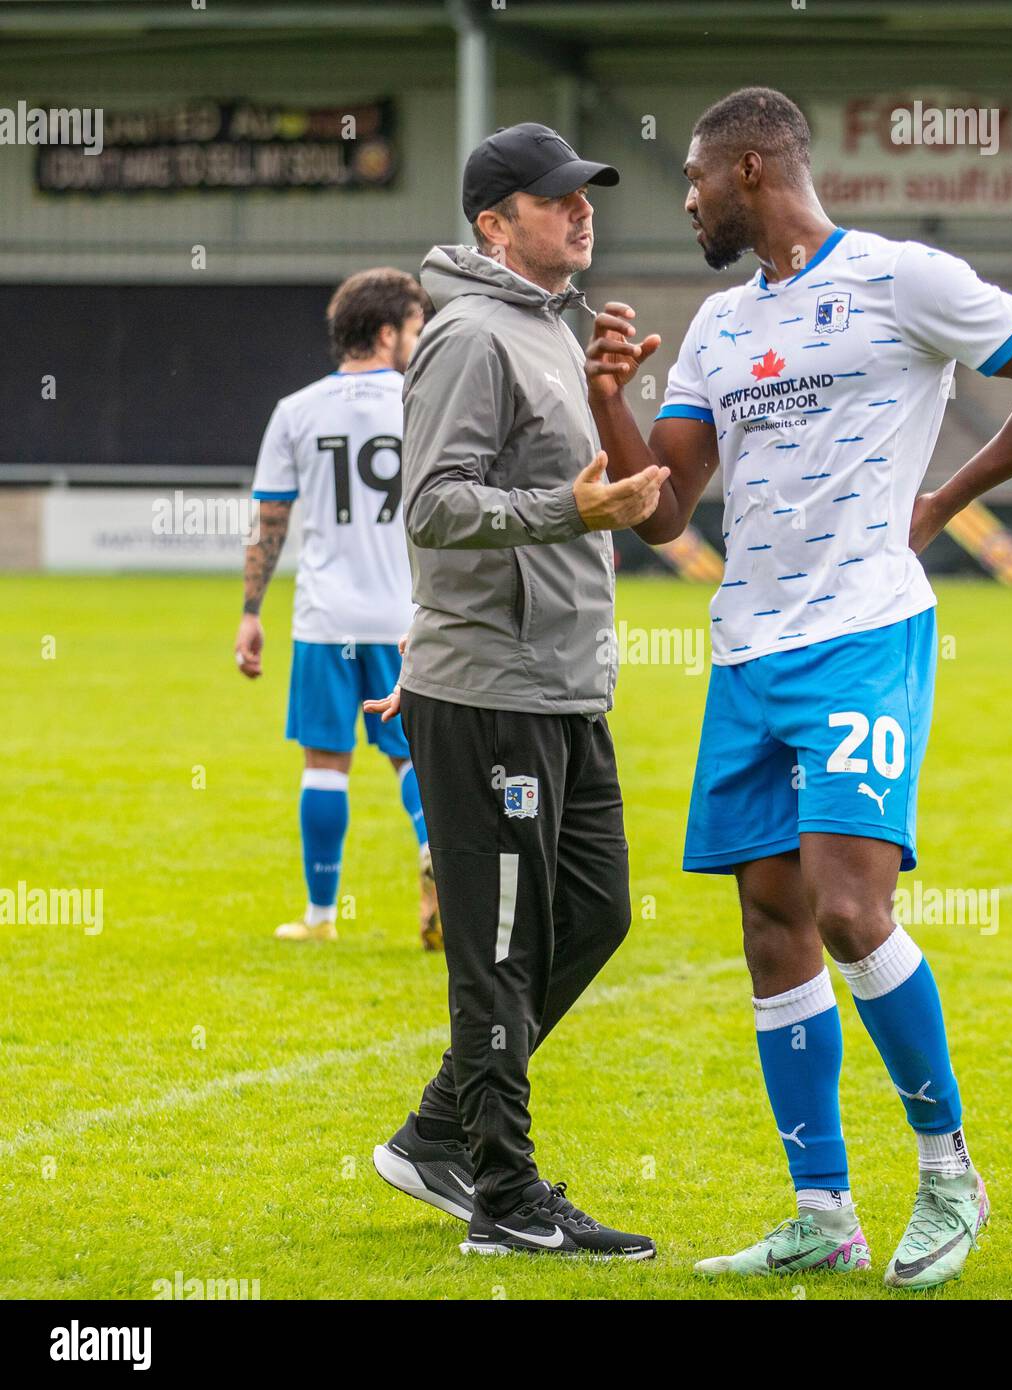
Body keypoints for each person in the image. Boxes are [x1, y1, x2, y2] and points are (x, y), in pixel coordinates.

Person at [583, 87, 1012, 1286]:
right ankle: (823, 1209)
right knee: (770, 922)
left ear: (754, 168)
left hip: (862, 635)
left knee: (846, 906)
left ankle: (946, 1170)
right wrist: (611, 395)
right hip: (748, 649)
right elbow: (663, 510)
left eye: (696, 180)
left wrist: (944, 498)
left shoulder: (903, 277)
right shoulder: (717, 325)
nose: (686, 200)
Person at [366, 123, 668, 1260]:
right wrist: (568, 512)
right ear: (494, 224)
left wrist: (604, 402)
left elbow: (560, 490)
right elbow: (436, 506)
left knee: (594, 914)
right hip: (489, 687)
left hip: (562, 687)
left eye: (587, 194)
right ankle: (503, 1194)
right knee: (496, 941)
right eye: (558, 198)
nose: (583, 210)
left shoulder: (554, 331)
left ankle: (438, 1130)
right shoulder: (466, 337)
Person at [236, 267, 441, 949]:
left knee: (325, 764)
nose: (420, 339)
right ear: (386, 333)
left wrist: (250, 612)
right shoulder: (425, 403)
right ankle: (431, 846)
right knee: (411, 759)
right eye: (415, 327)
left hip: (326, 620)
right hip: (405, 618)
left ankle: (321, 917)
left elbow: (270, 524)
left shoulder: (297, 411)